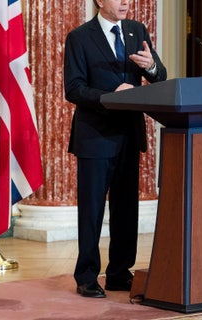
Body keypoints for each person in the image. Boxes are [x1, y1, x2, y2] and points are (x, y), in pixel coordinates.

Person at [63, 0, 166, 298]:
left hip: (129, 134)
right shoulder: (80, 37)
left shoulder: (136, 31)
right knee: (92, 210)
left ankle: (120, 273)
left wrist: (153, 66)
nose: (125, 2)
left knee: (126, 209)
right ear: (99, 1)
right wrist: (111, 96)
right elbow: (75, 88)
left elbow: (159, 75)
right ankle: (86, 276)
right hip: (96, 135)